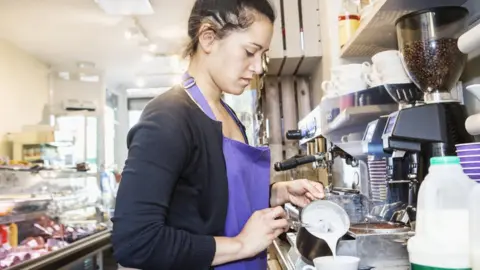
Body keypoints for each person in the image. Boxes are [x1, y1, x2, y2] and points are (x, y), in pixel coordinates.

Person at [111, 0, 325, 269]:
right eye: (250, 52)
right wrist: (242, 245)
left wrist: (276, 193)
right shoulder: (168, 117)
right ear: (208, 38)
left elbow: (212, 199)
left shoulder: (227, 114)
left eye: (263, 55)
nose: (259, 67)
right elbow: (135, 242)